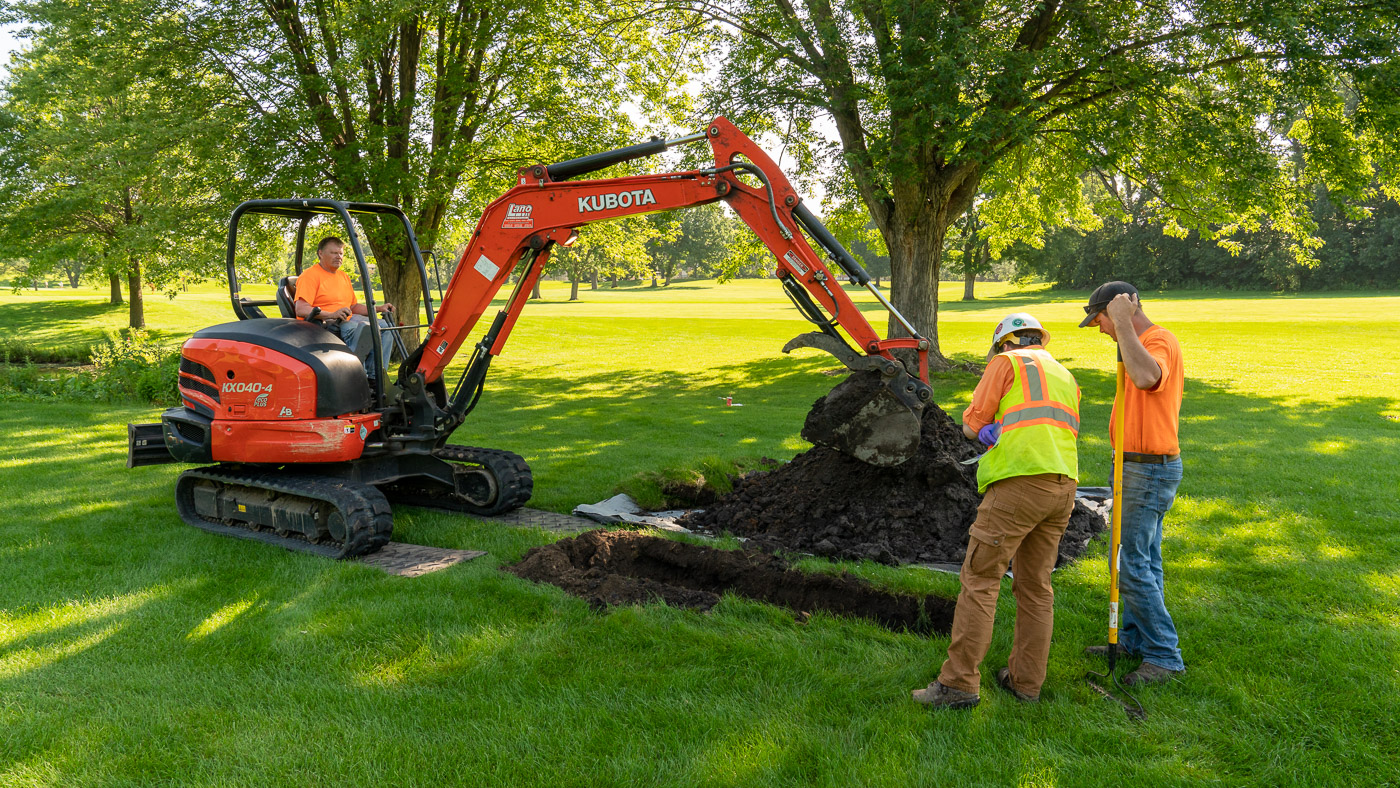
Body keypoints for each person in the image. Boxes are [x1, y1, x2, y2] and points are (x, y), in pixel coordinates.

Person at [912, 313, 1081, 709]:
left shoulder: (1005, 363)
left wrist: (987, 430)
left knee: (981, 579)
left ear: (1005, 343)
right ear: (1039, 339)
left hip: (1019, 485)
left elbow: (972, 425)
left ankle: (957, 685)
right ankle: (1026, 684)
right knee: (1036, 587)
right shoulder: (1065, 375)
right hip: (1063, 486)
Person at [1079, 281, 1186, 687]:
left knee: (1130, 565)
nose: (1101, 328)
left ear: (1121, 311)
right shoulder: (1136, 340)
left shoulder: (1157, 340)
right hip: (1132, 465)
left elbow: (1145, 378)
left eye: (1101, 319)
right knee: (1144, 559)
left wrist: (1124, 324)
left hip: (1147, 468)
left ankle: (1164, 656)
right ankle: (1135, 640)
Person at [295, 236, 395, 379]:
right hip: (324, 324)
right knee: (362, 328)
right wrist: (332, 314)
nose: (338, 257)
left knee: (385, 327)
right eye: (334, 253)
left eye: (341, 253)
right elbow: (301, 309)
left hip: (346, 318)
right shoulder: (309, 276)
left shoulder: (343, 276)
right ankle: (355, 377)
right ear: (320, 253)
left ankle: (376, 378)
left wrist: (379, 309)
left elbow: (353, 306)